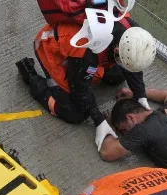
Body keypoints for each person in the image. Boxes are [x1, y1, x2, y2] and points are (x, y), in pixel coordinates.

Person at [15, 15, 156, 137]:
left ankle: (81, 70)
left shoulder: (133, 35)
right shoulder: (87, 52)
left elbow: (132, 66)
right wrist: (98, 120)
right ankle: (32, 78)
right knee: (76, 113)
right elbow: (79, 89)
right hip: (50, 49)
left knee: (117, 76)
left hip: (83, 56)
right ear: (117, 50)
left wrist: (140, 94)